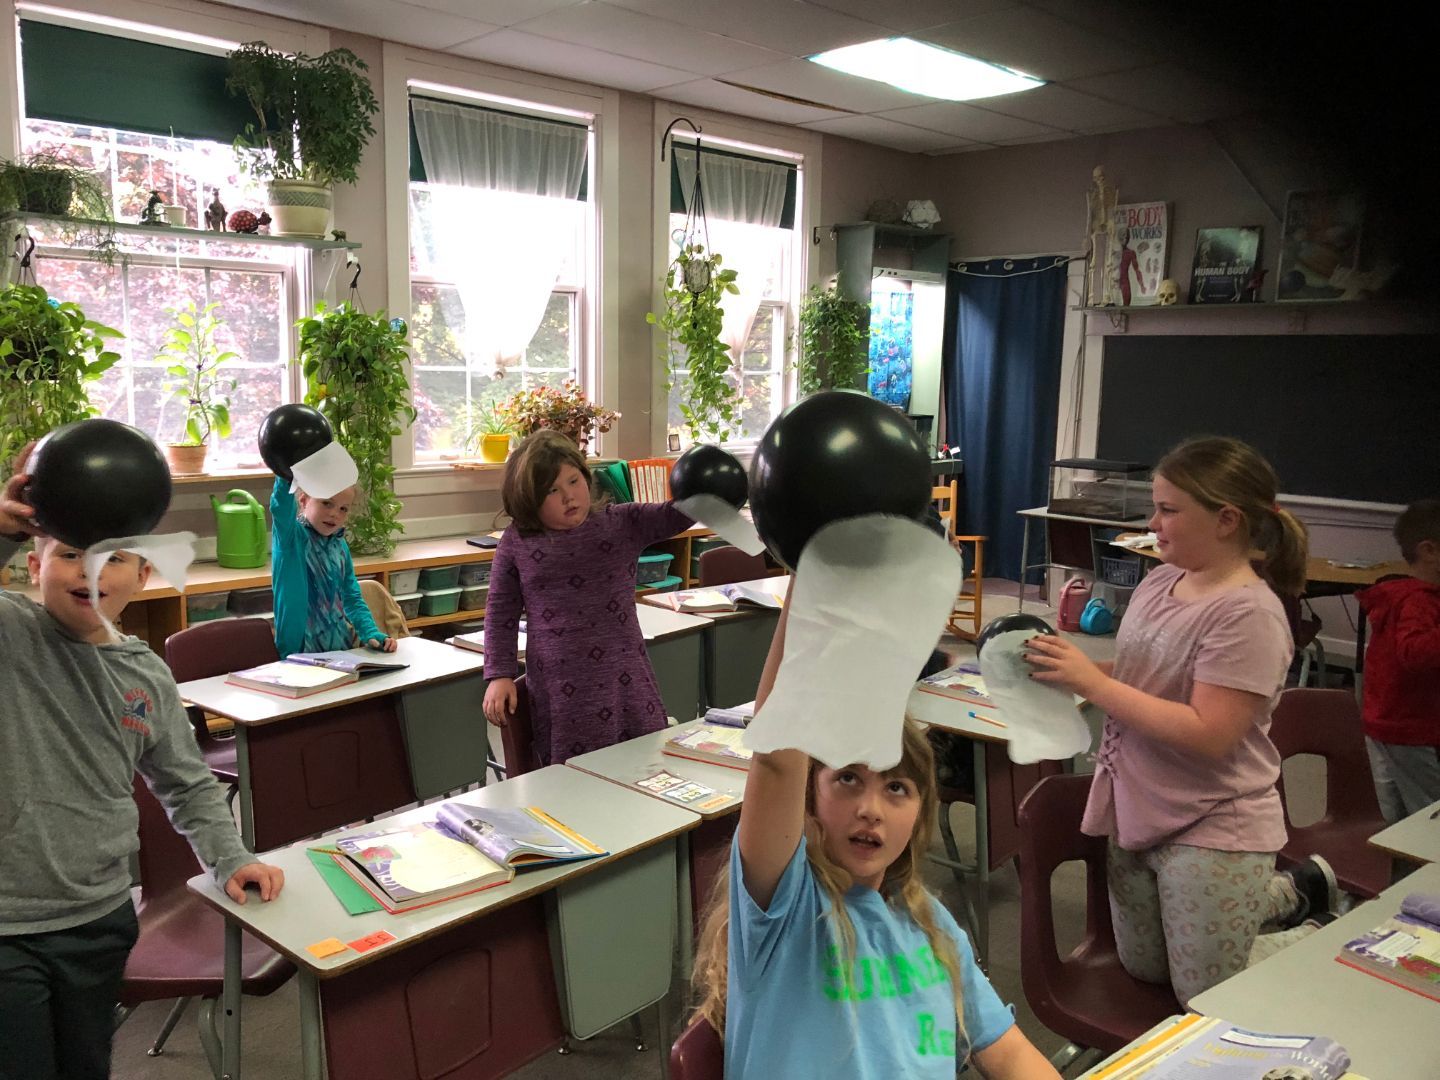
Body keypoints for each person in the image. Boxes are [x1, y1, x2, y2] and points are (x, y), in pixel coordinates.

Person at [0, 444, 284, 1080]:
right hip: (6, 923)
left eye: (114, 557)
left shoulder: (146, 676)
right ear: (34, 562)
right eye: (69, 552)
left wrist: (231, 857)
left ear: (144, 575)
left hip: (98, 917)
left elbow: (188, 785)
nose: (89, 570)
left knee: (84, 1065)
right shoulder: (9, 632)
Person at [1024, 436, 1338, 1006]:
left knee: (1203, 990)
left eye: (1169, 510)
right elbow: (1144, 668)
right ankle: (1287, 891)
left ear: (1226, 520)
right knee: (1145, 968)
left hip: (1212, 820)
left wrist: (1095, 685)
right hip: (1137, 803)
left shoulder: (1249, 615)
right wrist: (1072, 672)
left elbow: (1210, 733)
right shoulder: (1160, 580)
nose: (1153, 521)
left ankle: (1314, 931)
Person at [692, 603, 1059, 1079]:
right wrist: (815, 569)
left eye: (896, 788)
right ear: (808, 801)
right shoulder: (786, 910)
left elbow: (1007, 1052)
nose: (871, 808)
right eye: (847, 778)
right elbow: (778, 753)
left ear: (918, 815)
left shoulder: (932, 926)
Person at [481, 431, 692, 764]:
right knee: (573, 777)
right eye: (552, 490)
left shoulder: (620, 522)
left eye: (573, 481)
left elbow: (677, 514)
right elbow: (499, 613)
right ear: (528, 498)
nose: (569, 497)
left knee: (644, 762)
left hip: (624, 674)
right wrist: (499, 674)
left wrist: (704, 480)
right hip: (561, 685)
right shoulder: (517, 541)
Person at [1357, 497, 1440, 821]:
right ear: (1429, 551)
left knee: (1394, 816)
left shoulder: (1404, 598)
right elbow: (1415, 652)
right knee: (1429, 817)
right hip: (1409, 728)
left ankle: (1399, 870)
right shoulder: (1416, 602)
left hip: (1387, 722)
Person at [270, 476, 394, 658]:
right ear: (303, 501)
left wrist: (370, 632)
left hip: (339, 650)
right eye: (327, 503)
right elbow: (280, 508)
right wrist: (285, 476)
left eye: (343, 508)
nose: (335, 513)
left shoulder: (340, 545)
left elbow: (351, 597)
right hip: (298, 653)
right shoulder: (291, 539)